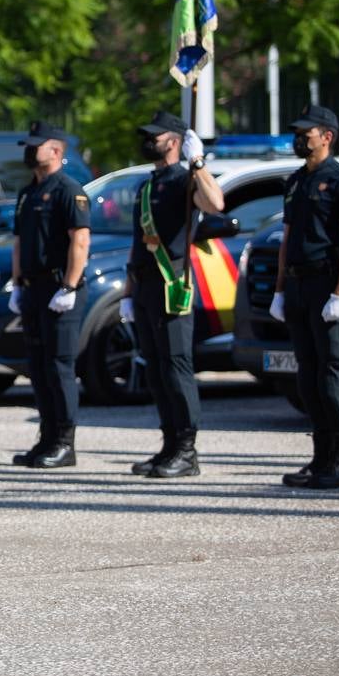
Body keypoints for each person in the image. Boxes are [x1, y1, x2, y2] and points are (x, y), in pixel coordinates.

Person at [120, 112, 224, 478]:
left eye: (156, 135)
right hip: (146, 285)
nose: (149, 141)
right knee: (157, 369)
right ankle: (168, 445)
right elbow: (137, 245)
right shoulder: (148, 186)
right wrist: (128, 293)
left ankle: (187, 449)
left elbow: (215, 204)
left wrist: (197, 163)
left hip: (173, 284)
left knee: (177, 367)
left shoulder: (185, 180)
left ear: (175, 141)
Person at [269, 105, 339, 489]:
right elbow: (288, 238)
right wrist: (279, 289)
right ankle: (321, 456)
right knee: (307, 376)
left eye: (306, 132)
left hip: (328, 286)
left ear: (326, 136)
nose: (299, 138)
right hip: (298, 286)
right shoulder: (296, 181)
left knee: (332, 374)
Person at [8, 120, 91, 468]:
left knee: (59, 367)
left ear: (56, 150)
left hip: (60, 289)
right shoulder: (27, 192)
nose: (30, 151)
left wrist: (69, 286)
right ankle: (46, 438)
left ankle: (64, 442)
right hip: (33, 289)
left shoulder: (69, 191)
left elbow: (80, 240)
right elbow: (19, 241)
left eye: (36, 146)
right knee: (39, 368)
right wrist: (16, 282)